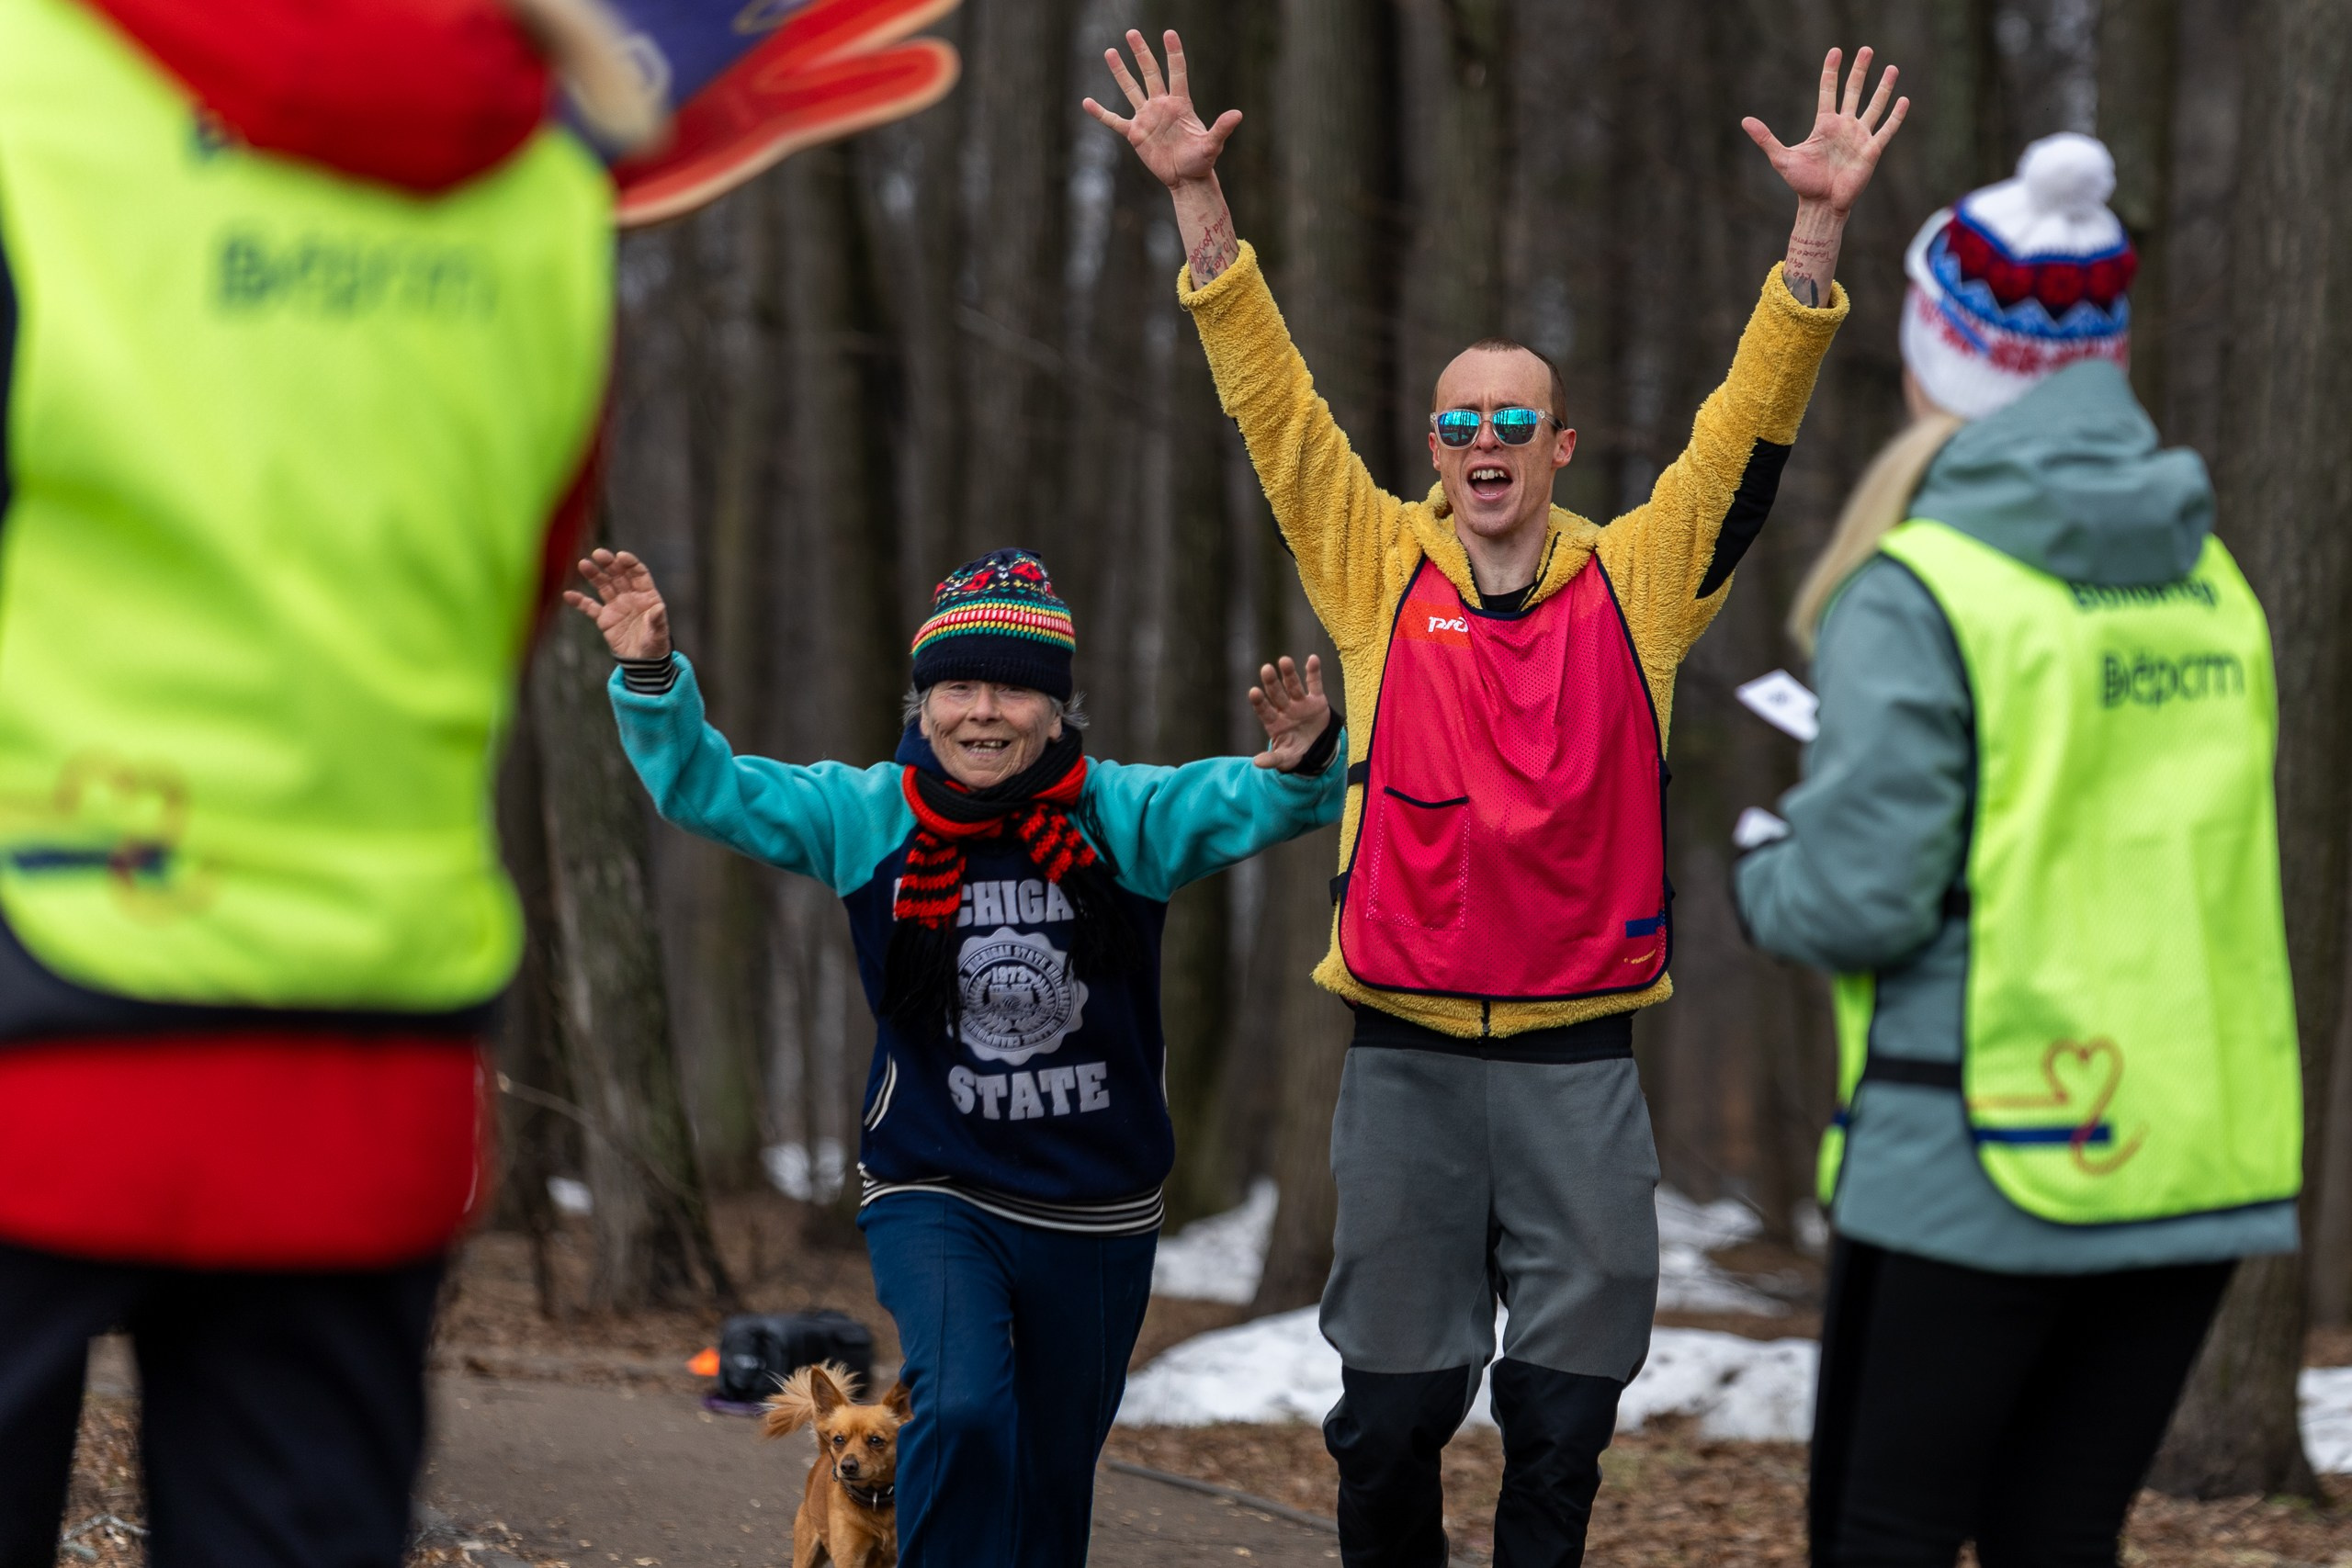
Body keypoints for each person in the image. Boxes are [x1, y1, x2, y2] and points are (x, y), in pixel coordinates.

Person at [1084, 29, 1907, 1568]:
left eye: (1511, 421)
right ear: (1435, 446)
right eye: (1458, 422)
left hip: (1579, 1064)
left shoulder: (1641, 586)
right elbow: (1276, 413)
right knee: (1391, 1411)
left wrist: (1815, 235)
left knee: (1567, 1411)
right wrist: (1200, 205)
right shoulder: (1372, 568)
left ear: (1558, 445)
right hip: (1402, 1057)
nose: (1481, 442)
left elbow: (1743, 434)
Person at [0, 2, 654, 1564]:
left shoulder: (33, 87)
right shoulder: (548, 176)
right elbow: (511, 584)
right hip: (370, 1061)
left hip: (38, 995)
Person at [1732, 132, 2301, 1566]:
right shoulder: (2212, 578)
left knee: (1887, 1535)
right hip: (2188, 1152)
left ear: (1940, 356)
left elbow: (1858, 899)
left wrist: (1766, 867)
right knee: (2057, 1535)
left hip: (1979, 1143)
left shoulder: (1921, 588)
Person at [569, 544, 1349, 1568]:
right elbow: (709, 789)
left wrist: (1307, 757)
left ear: (1056, 712)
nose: (982, 712)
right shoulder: (869, 816)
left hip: (1097, 1206)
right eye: (958, 688)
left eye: (1013, 690)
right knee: (966, 1407)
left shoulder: (1122, 818)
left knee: (1053, 1472)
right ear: (924, 702)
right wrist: (651, 675)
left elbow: (1254, 798)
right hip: (935, 1188)